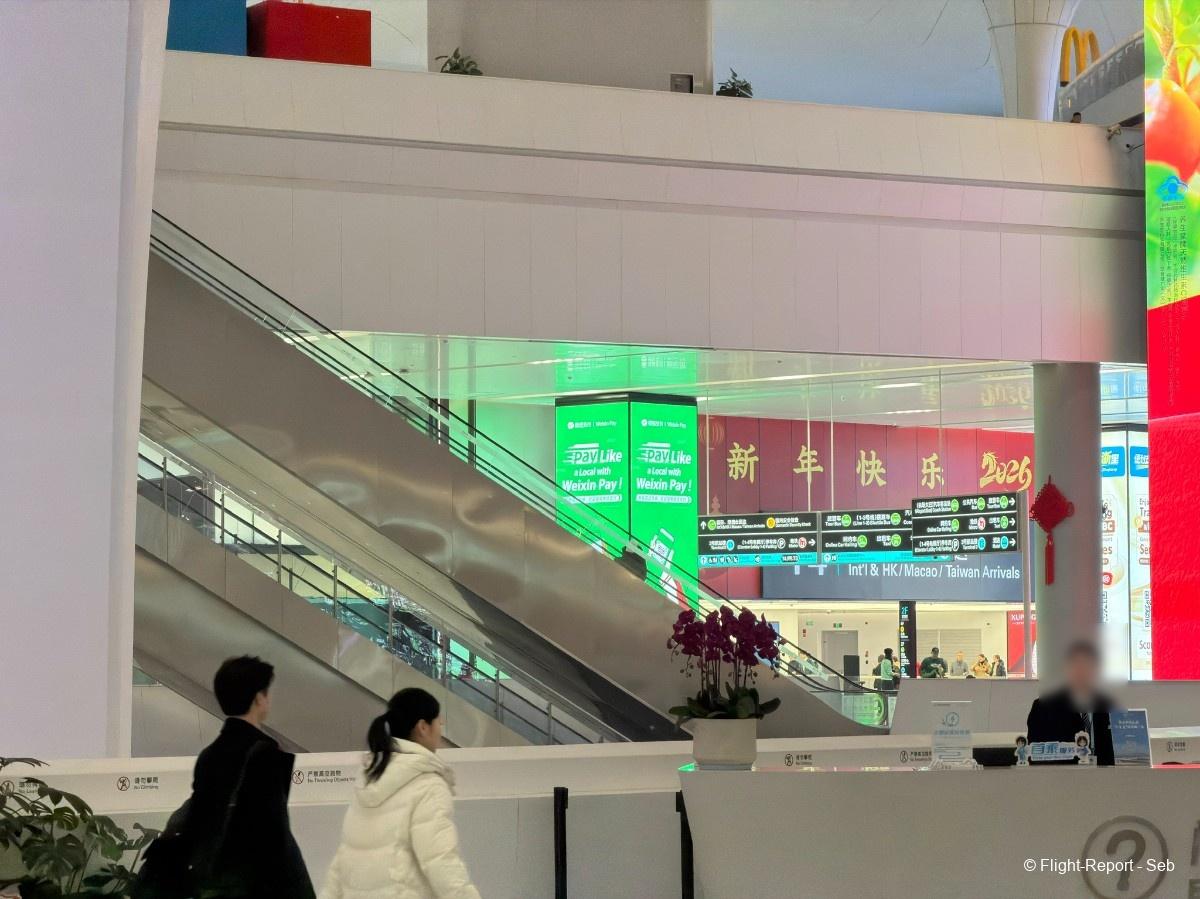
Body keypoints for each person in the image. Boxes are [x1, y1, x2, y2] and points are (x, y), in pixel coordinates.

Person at [321, 688, 480, 899]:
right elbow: (442, 863)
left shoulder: (370, 778)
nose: (440, 730)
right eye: (438, 723)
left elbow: (343, 859)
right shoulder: (427, 785)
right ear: (423, 727)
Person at [187, 656, 314, 898]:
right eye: (266, 693)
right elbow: (274, 834)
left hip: (214, 883)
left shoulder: (208, 756)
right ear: (258, 698)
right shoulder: (265, 753)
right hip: (257, 885)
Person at [1026, 640, 1116, 766]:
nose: (1081, 671)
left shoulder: (1110, 707)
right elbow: (1035, 757)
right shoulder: (1043, 708)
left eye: (1087, 665)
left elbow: (1116, 755)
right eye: (1075, 665)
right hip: (1060, 777)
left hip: (1104, 777)